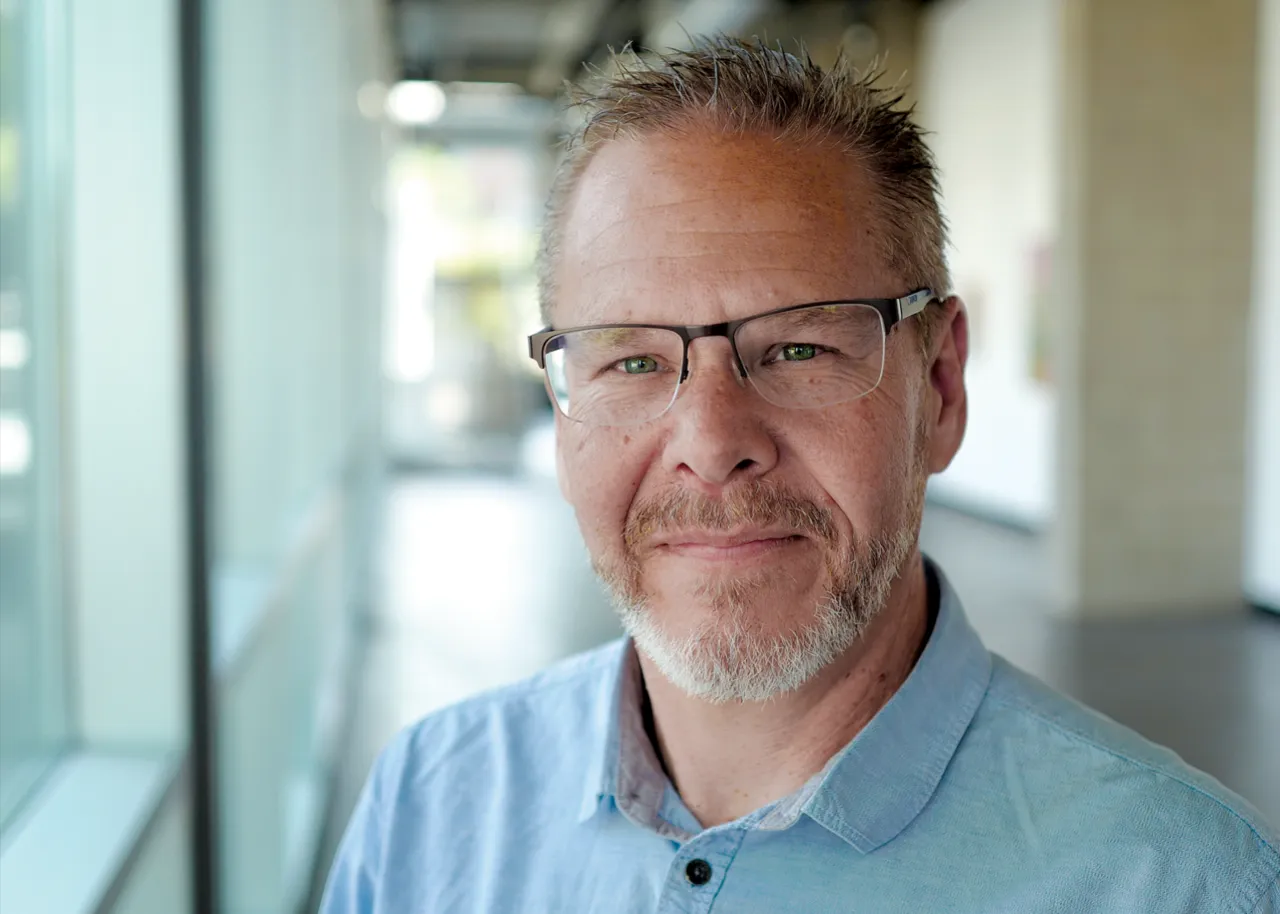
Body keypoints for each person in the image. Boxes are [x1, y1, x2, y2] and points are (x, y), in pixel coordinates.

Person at [321, 37, 1279, 913]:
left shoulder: (1179, 883)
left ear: (939, 389)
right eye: (633, 361)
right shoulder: (431, 801)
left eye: (798, 351)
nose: (710, 440)